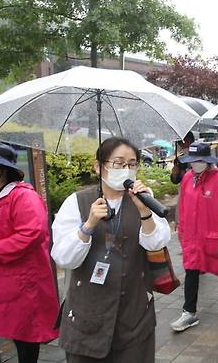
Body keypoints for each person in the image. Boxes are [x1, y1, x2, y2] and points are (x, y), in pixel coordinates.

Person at [51, 137, 171, 363]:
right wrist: (87, 226)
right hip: (87, 317)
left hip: (135, 316)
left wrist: (144, 212)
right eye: (118, 163)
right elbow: (64, 258)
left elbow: (157, 243)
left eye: (132, 163)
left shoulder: (143, 199)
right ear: (99, 166)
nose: (126, 169)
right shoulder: (76, 202)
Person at [0, 142, 59, 363]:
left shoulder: (23, 197)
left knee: (24, 337)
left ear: (2, 169)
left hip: (21, 284)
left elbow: (32, 233)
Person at [170, 143, 218, 332]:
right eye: (193, 161)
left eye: (200, 161)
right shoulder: (187, 178)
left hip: (215, 234)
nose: (196, 164)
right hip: (193, 235)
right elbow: (183, 205)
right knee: (191, 269)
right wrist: (181, 227)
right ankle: (189, 311)